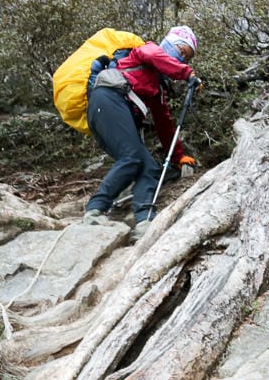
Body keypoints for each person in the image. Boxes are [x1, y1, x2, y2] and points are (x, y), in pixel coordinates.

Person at [82, 25, 200, 241]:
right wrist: (186, 73)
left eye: (186, 58)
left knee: (149, 167)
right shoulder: (146, 51)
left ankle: (145, 222)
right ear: (169, 44)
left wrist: (178, 156)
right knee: (132, 157)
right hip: (107, 100)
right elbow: (152, 54)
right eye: (181, 51)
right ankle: (94, 210)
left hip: (115, 111)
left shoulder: (158, 88)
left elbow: (164, 123)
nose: (182, 59)